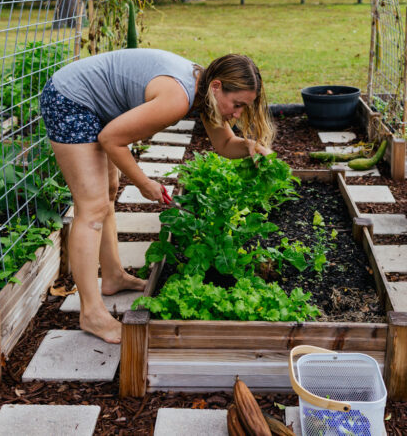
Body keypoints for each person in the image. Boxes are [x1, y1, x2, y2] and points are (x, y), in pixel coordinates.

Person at [39, 49, 274, 343]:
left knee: (107, 193)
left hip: (93, 103)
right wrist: (143, 182)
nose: (237, 114)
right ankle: (91, 314)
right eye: (237, 104)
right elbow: (111, 139)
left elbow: (225, 143)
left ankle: (112, 277)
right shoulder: (178, 98)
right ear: (217, 87)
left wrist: (250, 147)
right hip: (70, 99)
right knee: (92, 208)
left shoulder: (206, 89)